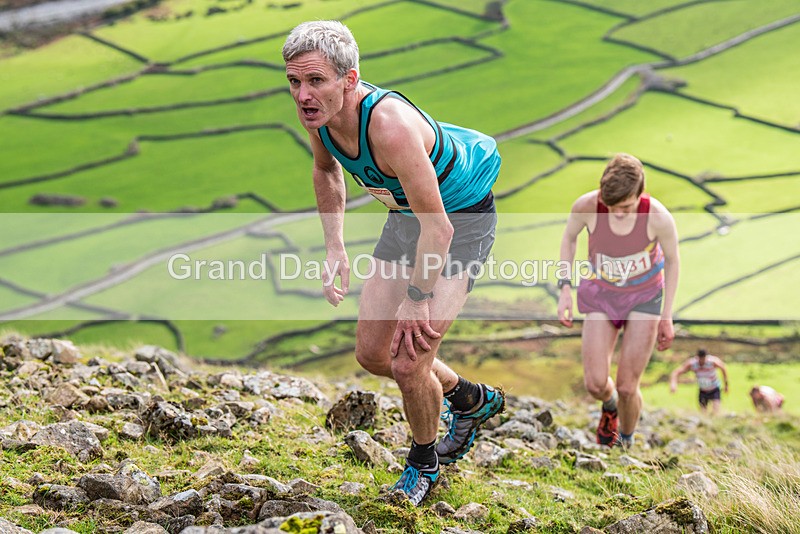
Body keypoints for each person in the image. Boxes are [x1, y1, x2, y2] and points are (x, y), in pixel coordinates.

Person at [282, 21, 505, 505]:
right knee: (372, 353)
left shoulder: (390, 127)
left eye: (315, 80)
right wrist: (335, 247)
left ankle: (424, 462)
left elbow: (440, 230)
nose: (302, 95)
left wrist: (417, 299)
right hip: (408, 218)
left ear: (350, 78)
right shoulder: (317, 114)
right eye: (294, 82)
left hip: (459, 225)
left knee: (408, 361)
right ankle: (468, 398)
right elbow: (326, 169)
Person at [557, 153, 679, 448]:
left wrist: (667, 315)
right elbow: (569, 238)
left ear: (640, 194)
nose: (619, 213)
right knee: (596, 383)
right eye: (612, 208)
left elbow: (673, 262)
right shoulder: (586, 206)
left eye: (626, 207)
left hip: (644, 297)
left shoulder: (658, 217)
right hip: (602, 293)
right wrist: (564, 288)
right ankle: (609, 406)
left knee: (627, 386)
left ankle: (624, 442)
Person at [669, 348, 729, 415]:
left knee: (716, 411)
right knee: (703, 413)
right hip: (703, 390)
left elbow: (723, 368)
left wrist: (726, 385)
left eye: (703, 359)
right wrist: (673, 384)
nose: (702, 361)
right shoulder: (692, 363)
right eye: (700, 359)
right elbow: (676, 372)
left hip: (714, 389)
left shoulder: (712, 361)